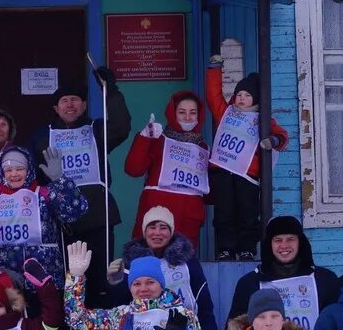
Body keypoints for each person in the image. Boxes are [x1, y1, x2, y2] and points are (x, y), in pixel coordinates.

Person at [30, 68, 132, 304]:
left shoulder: (97, 130)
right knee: (70, 281)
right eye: (64, 101)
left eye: (75, 100)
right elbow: (31, 175)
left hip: (98, 217)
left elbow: (121, 125)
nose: (70, 105)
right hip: (62, 222)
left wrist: (110, 90)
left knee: (101, 281)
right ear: (56, 108)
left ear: (84, 105)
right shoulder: (42, 136)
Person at [64, 243, 212, 330]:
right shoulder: (122, 315)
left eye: (150, 282)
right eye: (137, 284)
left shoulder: (183, 315)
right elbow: (78, 320)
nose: (143, 288)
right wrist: (76, 278)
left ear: (161, 284)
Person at [205, 61, 289, 260]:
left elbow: (281, 136)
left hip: (247, 176)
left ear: (256, 98)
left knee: (248, 214)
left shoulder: (262, 118)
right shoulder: (225, 112)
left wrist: (272, 140)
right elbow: (213, 95)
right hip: (223, 171)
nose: (242, 99)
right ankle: (225, 248)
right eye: (239, 95)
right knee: (224, 213)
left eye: (247, 96)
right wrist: (214, 69)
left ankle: (247, 249)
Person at [113, 206, 222, 330]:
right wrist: (114, 282)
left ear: (171, 231)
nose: (157, 233)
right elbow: (120, 307)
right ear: (144, 231)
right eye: (152, 227)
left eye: (163, 228)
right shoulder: (132, 262)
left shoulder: (187, 262)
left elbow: (204, 308)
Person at [0, 145, 86, 287]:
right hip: (8, 279)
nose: (14, 174)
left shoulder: (44, 194)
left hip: (46, 275)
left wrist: (60, 180)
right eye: (8, 170)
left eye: (20, 169)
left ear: (29, 170)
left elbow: (76, 211)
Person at [124, 92, 211, 248]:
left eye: (193, 113)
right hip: (156, 214)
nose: (188, 117)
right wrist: (144, 138)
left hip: (188, 219)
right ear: (173, 113)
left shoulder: (204, 148)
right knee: (147, 264)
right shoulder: (158, 139)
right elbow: (133, 169)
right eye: (182, 112)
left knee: (182, 267)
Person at [228, 215, 343, 330]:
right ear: (269, 244)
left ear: (300, 242)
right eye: (278, 240)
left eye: (290, 239)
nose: (284, 246)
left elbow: (338, 325)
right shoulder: (249, 283)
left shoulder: (325, 280)